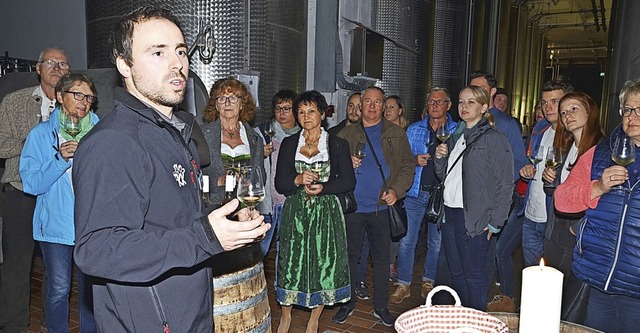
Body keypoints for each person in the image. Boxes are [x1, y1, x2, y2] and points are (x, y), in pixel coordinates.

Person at [71, 6, 269, 332]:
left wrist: (225, 218)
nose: (177, 63)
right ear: (124, 63)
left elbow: (177, 217)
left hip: (189, 313)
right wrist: (205, 237)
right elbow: (97, 250)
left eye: (180, 51)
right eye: (158, 52)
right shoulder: (115, 143)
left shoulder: (177, 133)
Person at [555, 78, 640, 333]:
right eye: (627, 109)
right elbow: (562, 199)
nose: (631, 116)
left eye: (639, 109)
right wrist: (597, 188)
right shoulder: (601, 153)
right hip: (598, 277)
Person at [19, 73, 99, 333]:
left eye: (88, 96)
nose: (84, 101)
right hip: (55, 227)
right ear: (59, 96)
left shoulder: (100, 134)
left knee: (90, 293)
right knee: (58, 290)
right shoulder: (41, 135)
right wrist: (59, 160)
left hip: (90, 226)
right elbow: (31, 184)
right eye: (77, 94)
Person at [0, 47, 69, 333]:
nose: (57, 68)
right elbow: (1, 145)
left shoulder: (76, 103)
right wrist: (34, 143)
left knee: (58, 271)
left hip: (59, 195)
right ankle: (14, 326)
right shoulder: (13, 101)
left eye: (63, 64)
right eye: (50, 63)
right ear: (38, 68)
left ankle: (50, 324)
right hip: (20, 191)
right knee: (17, 268)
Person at [332, 86, 414, 327]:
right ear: (360, 106)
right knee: (349, 258)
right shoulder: (345, 135)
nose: (371, 106)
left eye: (377, 102)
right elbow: (331, 170)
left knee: (381, 259)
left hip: (381, 209)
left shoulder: (397, 133)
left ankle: (381, 306)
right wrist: (344, 161)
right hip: (353, 208)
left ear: (383, 105)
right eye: (366, 102)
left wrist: (397, 191)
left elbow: (408, 166)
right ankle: (347, 303)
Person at [274, 90, 354, 333]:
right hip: (296, 212)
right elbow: (280, 183)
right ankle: (286, 315)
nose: (306, 116)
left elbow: (349, 182)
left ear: (322, 113)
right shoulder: (289, 144)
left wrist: (324, 187)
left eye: (311, 111)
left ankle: (313, 320)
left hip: (326, 212)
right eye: (301, 112)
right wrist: (297, 179)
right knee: (290, 262)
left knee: (322, 262)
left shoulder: (337, 144)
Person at [434, 85, 513, 311]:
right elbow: (445, 177)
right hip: (450, 214)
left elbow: (505, 183)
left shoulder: (494, 138)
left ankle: (476, 322)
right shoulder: (457, 135)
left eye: (471, 102)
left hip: (474, 218)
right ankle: (463, 319)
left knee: (474, 278)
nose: (464, 107)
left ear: (484, 107)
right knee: (457, 274)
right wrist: (439, 159)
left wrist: (496, 222)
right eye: (461, 102)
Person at [540, 92, 604, 323]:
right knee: (550, 296)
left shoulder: (600, 152)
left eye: (574, 109)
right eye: (564, 112)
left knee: (570, 302)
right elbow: (557, 195)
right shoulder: (565, 149)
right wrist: (549, 181)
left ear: (590, 111)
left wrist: (578, 227)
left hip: (577, 235)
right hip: (554, 231)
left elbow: (604, 197)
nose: (568, 116)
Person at [390, 87, 456, 304]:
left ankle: (429, 281)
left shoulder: (457, 130)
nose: (434, 106)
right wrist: (414, 159)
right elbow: (401, 160)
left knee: (436, 243)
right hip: (415, 193)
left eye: (439, 102)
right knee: (408, 240)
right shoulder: (414, 129)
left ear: (448, 105)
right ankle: (404, 283)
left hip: (441, 195)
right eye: (431, 102)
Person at [519, 78, 573, 267]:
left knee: (552, 278)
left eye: (554, 102)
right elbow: (533, 165)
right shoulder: (540, 130)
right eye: (544, 102)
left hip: (554, 220)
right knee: (531, 274)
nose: (548, 107)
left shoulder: (575, 136)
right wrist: (527, 171)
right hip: (530, 214)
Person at [257, 89, 300, 257]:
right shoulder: (262, 132)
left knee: (287, 252)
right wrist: (258, 153)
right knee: (260, 249)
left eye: (287, 108)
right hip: (266, 202)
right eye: (278, 108)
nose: (281, 113)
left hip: (290, 201)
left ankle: (281, 284)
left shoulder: (303, 136)